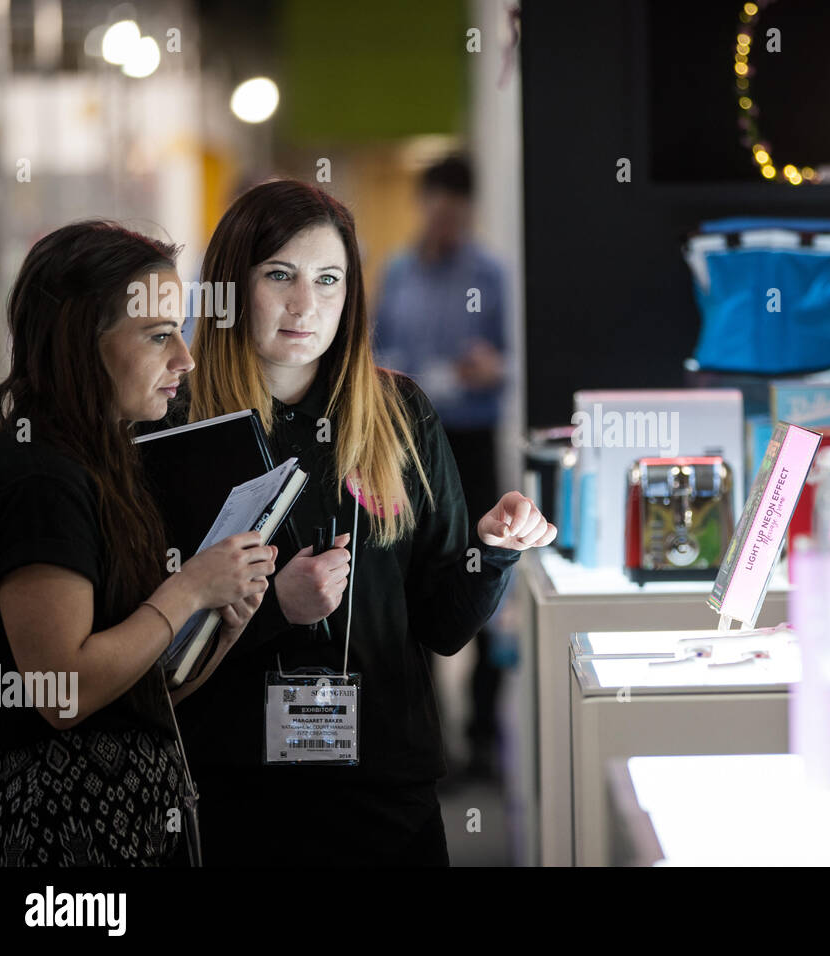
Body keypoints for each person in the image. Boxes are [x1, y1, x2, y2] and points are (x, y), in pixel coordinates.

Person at [171, 179, 555, 866]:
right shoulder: (181, 430)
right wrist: (270, 610)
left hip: (384, 788)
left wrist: (492, 550)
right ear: (232, 285)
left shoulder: (400, 413)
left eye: (328, 279)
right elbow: (152, 642)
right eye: (279, 276)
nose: (304, 305)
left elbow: (443, 626)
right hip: (234, 789)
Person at [0, 221, 276, 866]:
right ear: (83, 341)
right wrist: (189, 588)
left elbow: (142, 692)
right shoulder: (37, 477)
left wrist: (219, 627)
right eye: (159, 335)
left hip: (134, 820)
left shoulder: (104, 461)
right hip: (63, 837)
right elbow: (64, 692)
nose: (185, 360)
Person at [373, 154, 509, 778]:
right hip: (407, 443)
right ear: (424, 204)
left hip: (472, 439)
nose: (447, 223)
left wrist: (492, 369)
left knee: (478, 576)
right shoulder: (397, 273)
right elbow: (374, 356)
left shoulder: (491, 273)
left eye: (460, 214)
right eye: (439, 209)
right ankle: (431, 738)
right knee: (415, 579)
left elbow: (507, 363)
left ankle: (483, 736)